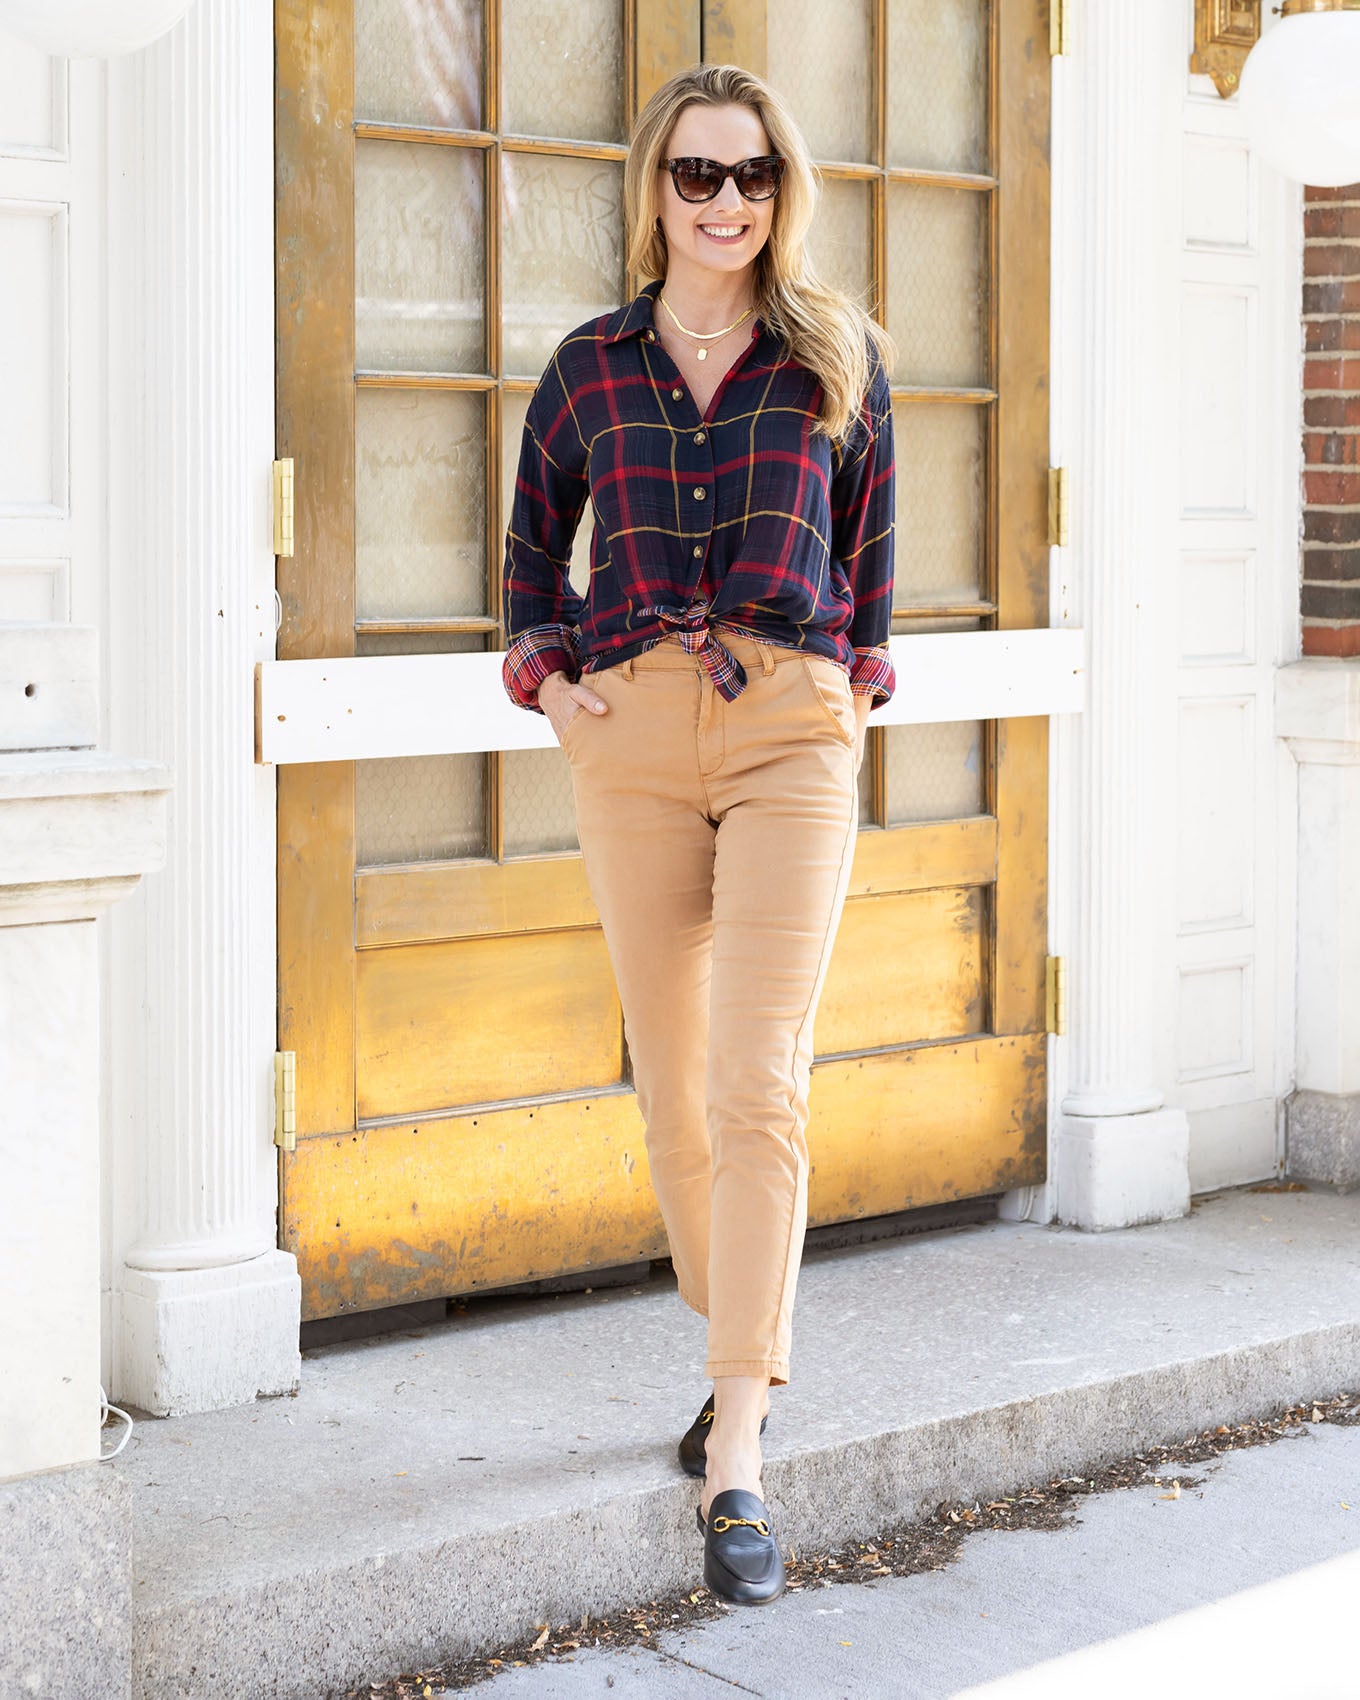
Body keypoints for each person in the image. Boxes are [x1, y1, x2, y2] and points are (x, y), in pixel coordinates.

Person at [501, 61, 896, 1607]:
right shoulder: (591, 365)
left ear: (782, 191)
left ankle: (738, 1457)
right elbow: (534, 553)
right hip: (638, 731)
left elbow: (873, 564)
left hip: (793, 728)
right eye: (696, 175)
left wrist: (846, 689)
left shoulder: (839, 359)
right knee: (674, 1089)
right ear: (654, 189)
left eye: (752, 176)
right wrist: (551, 682)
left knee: (759, 1078)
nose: (725, 202)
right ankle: (737, 1328)